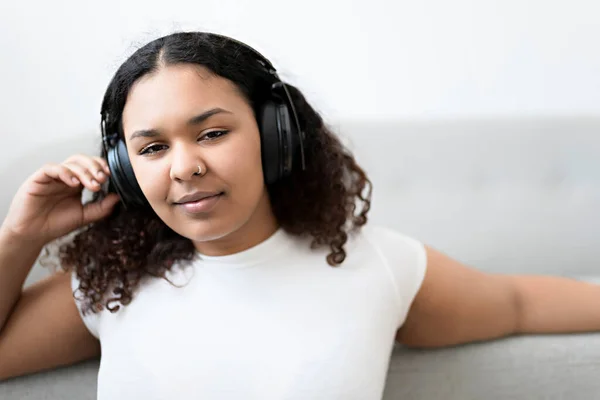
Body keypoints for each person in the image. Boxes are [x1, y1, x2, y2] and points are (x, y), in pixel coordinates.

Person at [0, 32, 598, 400]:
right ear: (127, 169)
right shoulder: (110, 283)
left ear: (274, 134)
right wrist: (19, 236)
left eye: (211, 132)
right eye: (152, 148)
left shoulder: (378, 266)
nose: (183, 167)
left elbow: (516, 302)